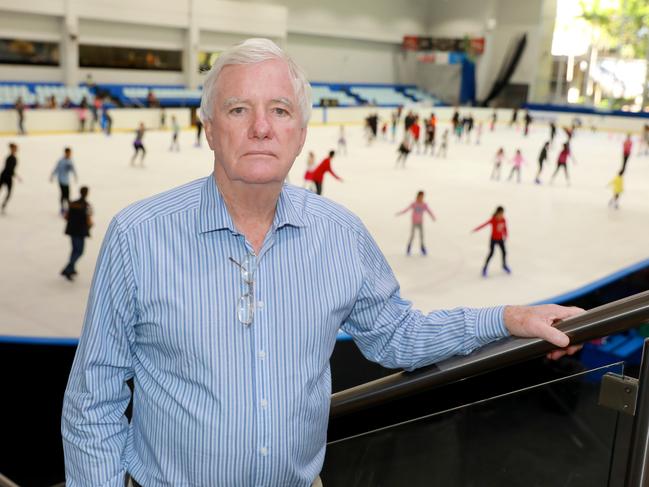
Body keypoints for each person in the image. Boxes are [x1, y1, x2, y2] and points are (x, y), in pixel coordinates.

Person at [62, 38, 582, 487]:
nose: (261, 127)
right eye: (239, 109)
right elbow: (93, 400)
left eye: (280, 110)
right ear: (208, 128)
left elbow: (397, 333)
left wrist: (507, 320)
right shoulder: (140, 235)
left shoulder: (339, 235)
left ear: (302, 133)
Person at [60, 186, 93, 281]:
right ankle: (68, 269)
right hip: (80, 231)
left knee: (74, 250)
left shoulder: (72, 203)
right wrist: (89, 227)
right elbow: (89, 221)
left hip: (72, 230)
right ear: (86, 193)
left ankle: (72, 268)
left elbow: (66, 216)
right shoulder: (87, 206)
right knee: (79, 251)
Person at [473, 206, 510, 277]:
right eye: (500, 214)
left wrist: (506, 234)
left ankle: (504, 265)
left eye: (502, 214)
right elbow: (484, 224)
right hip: (493, 239)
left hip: (500, 239)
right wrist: (476, 229)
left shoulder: (503, 219)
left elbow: (505, 227)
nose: (501, 215)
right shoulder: (493, 220)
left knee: (504, 252)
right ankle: (485, 268)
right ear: (497, 213)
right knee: (491, 254)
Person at [396, 190, 436, 256]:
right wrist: (400, 213)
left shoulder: (424, 205)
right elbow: (406, 209)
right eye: (420, 196)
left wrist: (433, 217)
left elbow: (429, 211)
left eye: (422, 197)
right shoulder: (414, 204)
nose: (421, 198)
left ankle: (422, 248)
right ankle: (409, 247)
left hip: (420, 222)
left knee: (422, 236)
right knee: (412, 235)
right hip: (414, 222)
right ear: (417, 196)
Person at [50, 147, 77, 214]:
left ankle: (67, 208)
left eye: (70, 153)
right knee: (63, 195)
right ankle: (63, 208)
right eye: (68, 153)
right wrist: (52, 175)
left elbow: (72, 169)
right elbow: (56, 168)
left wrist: (75, 175)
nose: (69, 154)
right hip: (61, 180)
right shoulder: (61, 161)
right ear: (65, 153)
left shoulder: (70, 161)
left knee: (67, 195)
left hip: (66, 180)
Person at [0, 143, 21, 213]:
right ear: (12, 149)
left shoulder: (13, 158)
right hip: (5, 176)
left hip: (8, 176)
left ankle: (3, 205)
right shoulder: (10, 158)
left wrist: (15, 175)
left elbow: (11, 169)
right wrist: (14, 174)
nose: (16, 150)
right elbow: (9, 168)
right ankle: (3, 205)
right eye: (15, 148)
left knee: (9, 193)